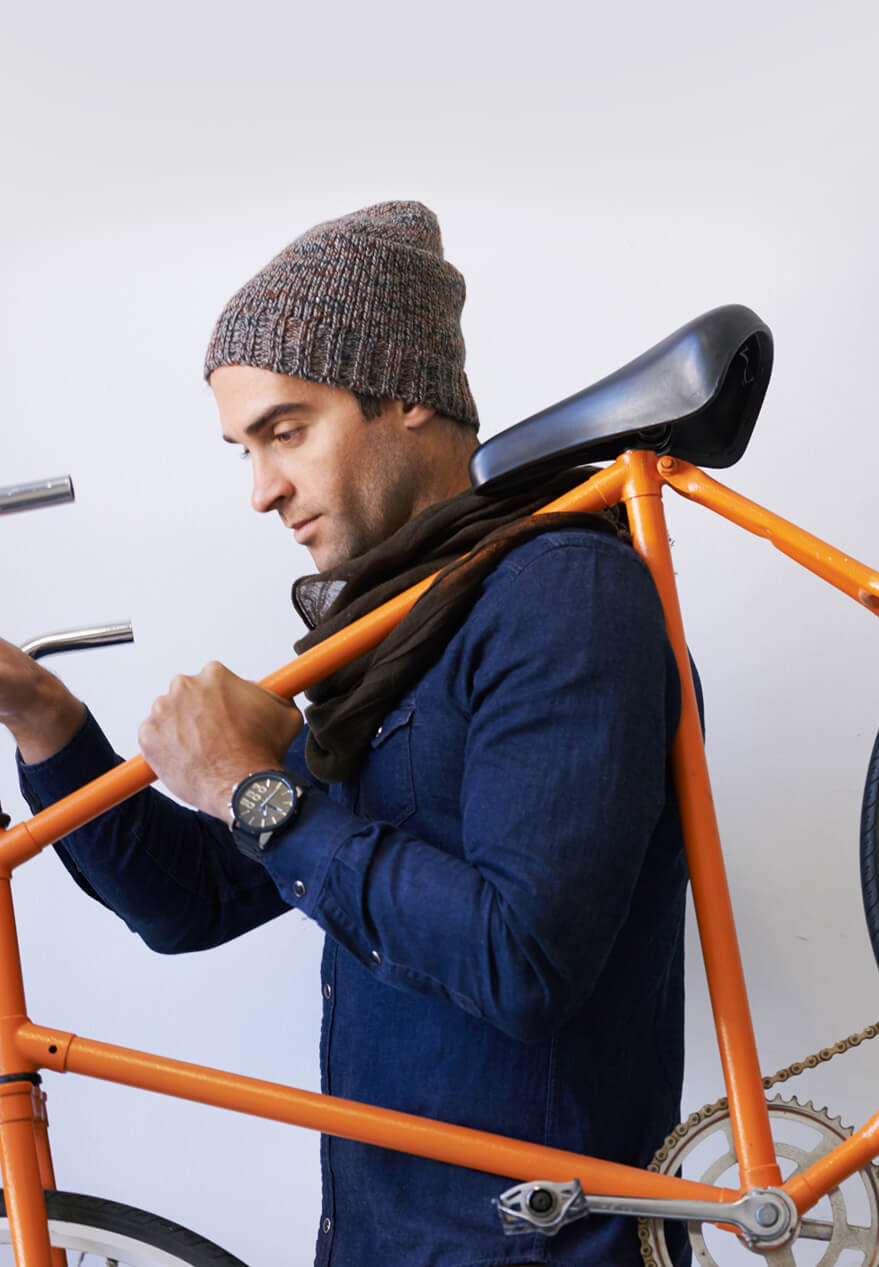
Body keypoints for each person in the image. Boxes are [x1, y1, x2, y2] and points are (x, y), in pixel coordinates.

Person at [0, 201, 691, 1266]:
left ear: (407, 392)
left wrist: (248, 786)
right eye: (243, 447)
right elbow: (190, 903)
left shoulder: (562, 591)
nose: (261, 490)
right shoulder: (393, 643)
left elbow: (524, 962)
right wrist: (43, 716)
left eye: (285, 431)